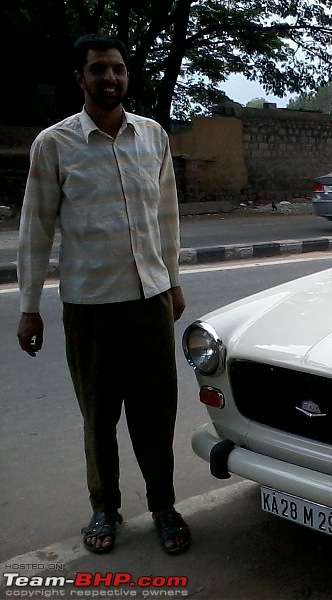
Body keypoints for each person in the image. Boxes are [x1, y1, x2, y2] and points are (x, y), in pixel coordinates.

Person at [16, 34, 191, 555]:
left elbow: (166, 219)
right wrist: (29, 309)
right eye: (98, 70)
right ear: (80, 78)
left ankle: (163, 505)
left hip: (151, 301)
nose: (109, 78)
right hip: (90, 307)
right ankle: (105, 507)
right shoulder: (54, 144)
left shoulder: (153, 136)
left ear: (126, 75)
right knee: (99, 416)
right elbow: (36, 229)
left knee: (156, 413)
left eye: (117, 69)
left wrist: (174, 281)